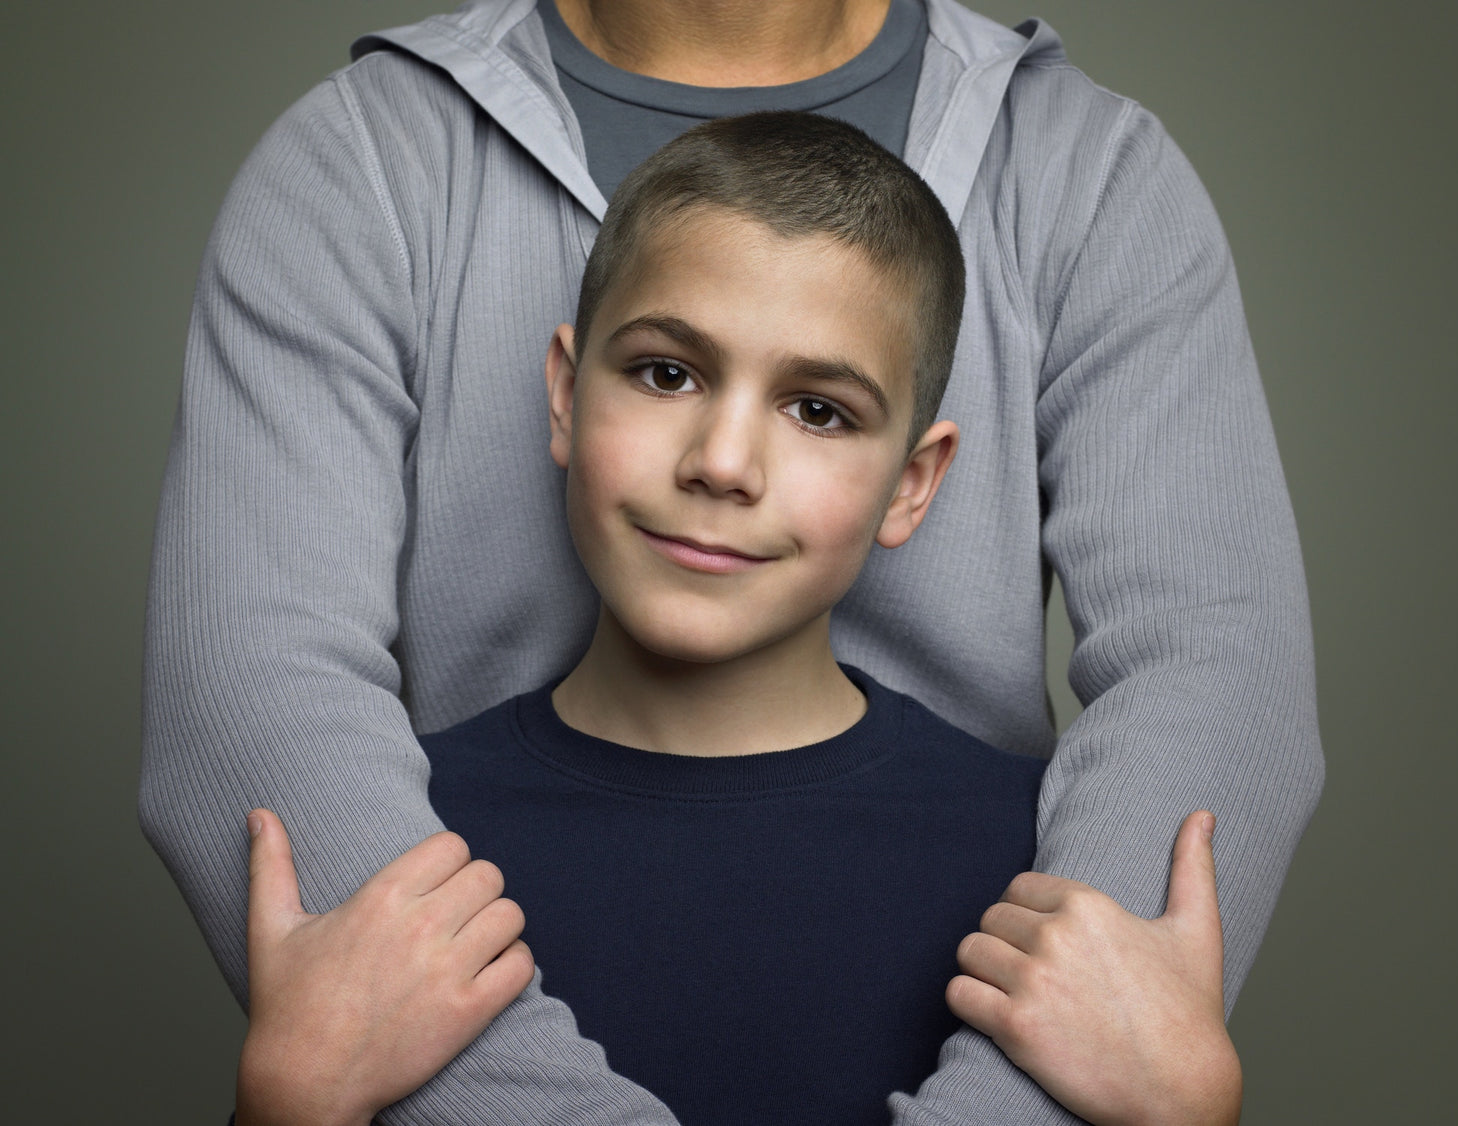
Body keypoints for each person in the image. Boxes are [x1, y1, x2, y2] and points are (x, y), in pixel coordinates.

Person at [141, 1, 1323, 1122]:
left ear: (915, 477)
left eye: (818, 409)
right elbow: (251, 681)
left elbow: (1217, 667)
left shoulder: (1090, 172)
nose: (723, 460)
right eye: (665, 373)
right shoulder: (369, 155)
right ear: (567, 391)